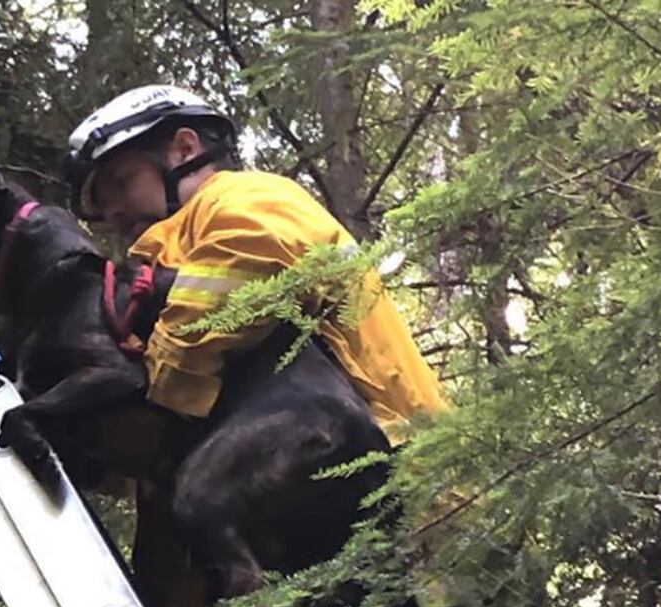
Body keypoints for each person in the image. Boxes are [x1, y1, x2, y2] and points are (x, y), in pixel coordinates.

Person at [64, 84, 447, 444]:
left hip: (401, 458)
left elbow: (250, 267)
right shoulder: (176, 252)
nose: (112, 210)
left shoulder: (247, 195)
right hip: (333, 469)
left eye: (121, 182)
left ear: (184, 149)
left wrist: (159, 396)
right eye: (100, 206)